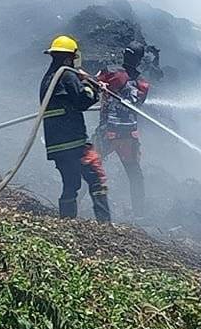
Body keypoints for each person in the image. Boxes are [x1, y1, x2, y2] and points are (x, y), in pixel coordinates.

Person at [40, 35, 111, 222]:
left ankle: (67, 223)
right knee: (96, 179)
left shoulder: (48, 79)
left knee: (70, 184)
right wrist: (92, 85)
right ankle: (105, 227)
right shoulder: (67, 75)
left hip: (56, 145)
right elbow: (83, 100)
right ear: (69, 57)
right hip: (75, 142)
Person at [95, 41, 151, 215]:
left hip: (108, 132)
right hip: (128, 136)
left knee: (91, 168)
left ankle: (74, 207)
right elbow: (139, 103)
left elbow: (92, 86)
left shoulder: (110, 72)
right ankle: (140, 214)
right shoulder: (143, 84)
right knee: (135, 175)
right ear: (139, 60)